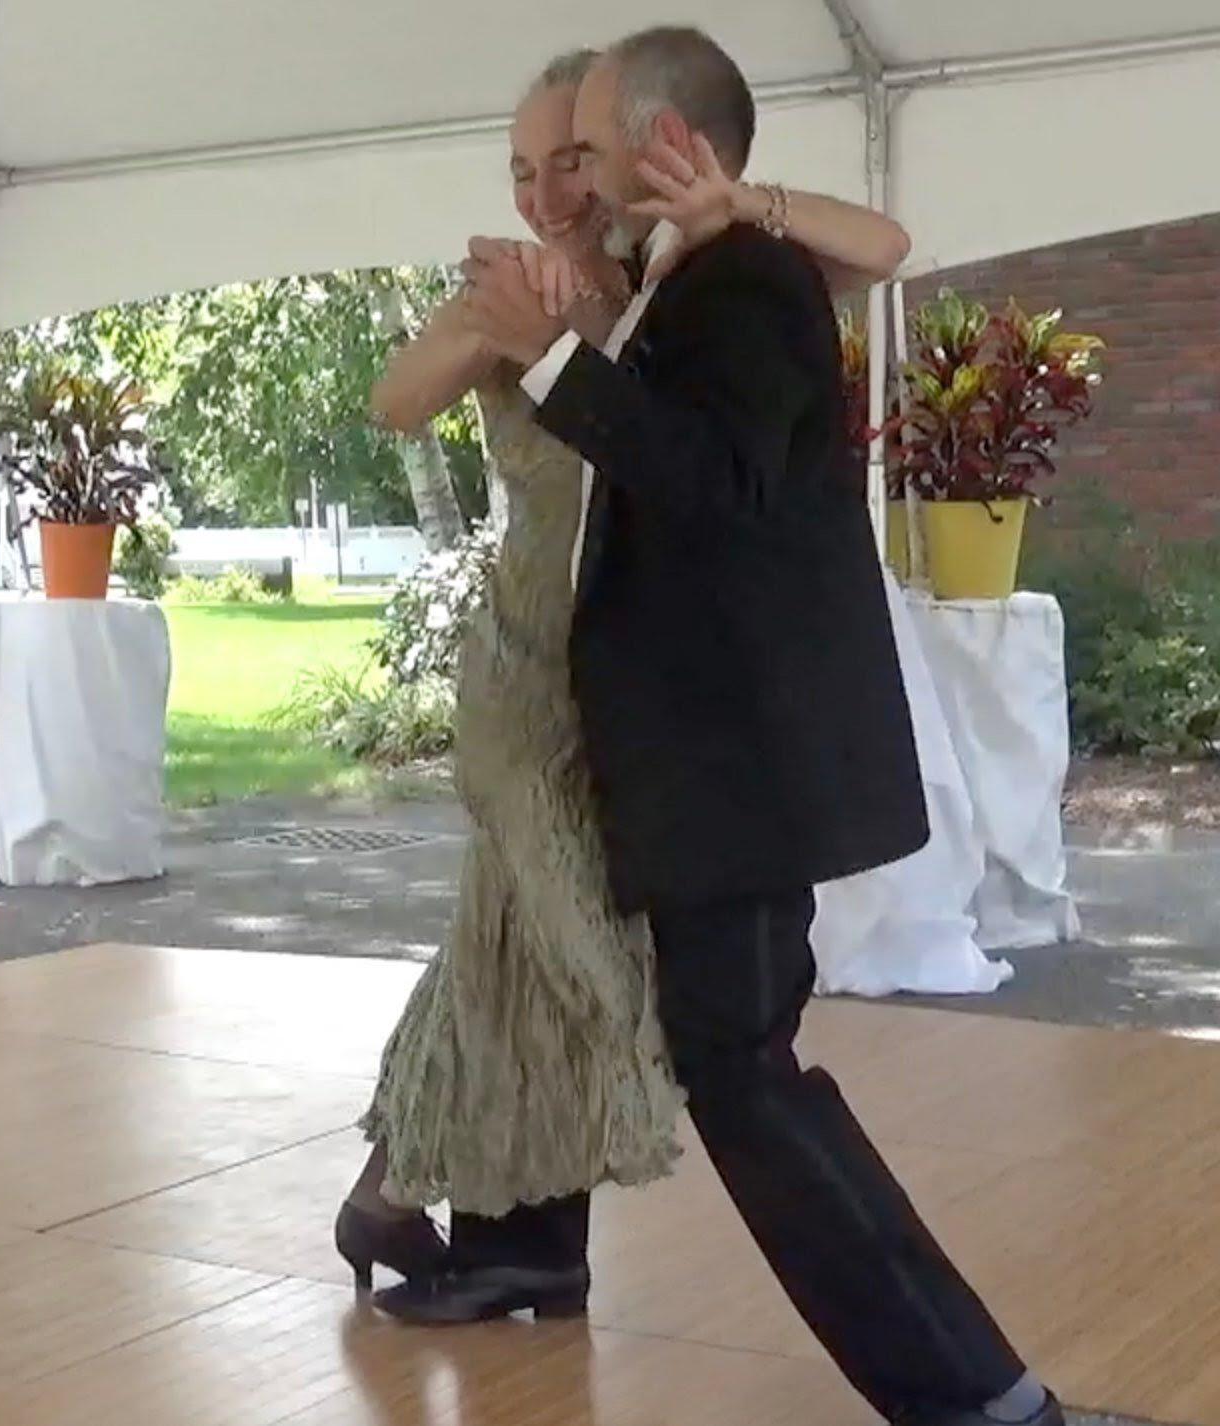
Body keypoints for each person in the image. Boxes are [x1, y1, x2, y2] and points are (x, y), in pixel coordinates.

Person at [412, 26, 1064, 1426]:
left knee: (745, 1074)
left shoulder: (747, 281)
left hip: (739, 766)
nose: (573, 183)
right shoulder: (683, 275)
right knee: (733, 1067)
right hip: (709, 764)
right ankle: (975, 1395)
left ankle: (984, 1397)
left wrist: (548, 361)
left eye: (587, 150)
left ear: (666, 145)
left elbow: (719, 482)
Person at [335, 46, 912, 1300]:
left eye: (569, 161)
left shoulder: (673, 269)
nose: (547, 193)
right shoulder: (515, 289)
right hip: (527, 671)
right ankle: (473, 1191)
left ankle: (473, 1224)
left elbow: (882, 243)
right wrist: (497, 329)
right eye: (522, 169)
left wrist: (739, 202)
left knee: (507, 952)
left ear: (618, 161)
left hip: (637, 686)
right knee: (567, 960)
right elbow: (393, 403)